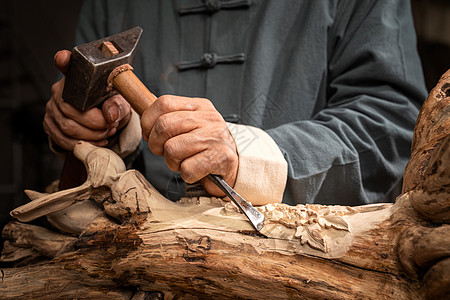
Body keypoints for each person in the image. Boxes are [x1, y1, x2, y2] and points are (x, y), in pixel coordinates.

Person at [43, 0, 427, 206]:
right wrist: (107, 127)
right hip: (139, 256)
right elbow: (81, 114)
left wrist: (253, 161)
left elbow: (392, 124)